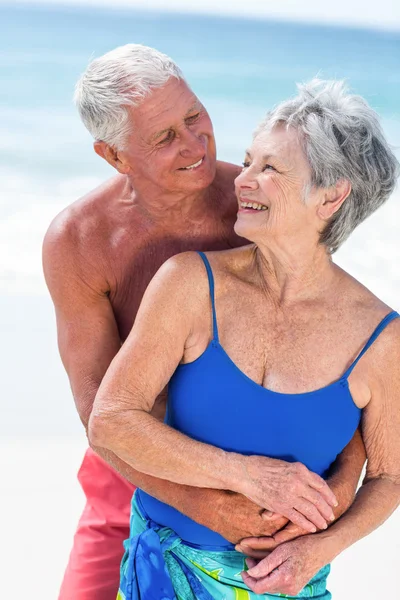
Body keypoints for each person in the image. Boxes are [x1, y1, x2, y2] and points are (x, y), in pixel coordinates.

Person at [43, 46, 364, 600]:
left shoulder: (262, 201)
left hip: (254, 479)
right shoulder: (81, 241)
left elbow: (343, 351)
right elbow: (98, 412)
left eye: (194, 117)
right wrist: (202, 503)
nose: (195, 145)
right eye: (163, 137)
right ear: (114, 156)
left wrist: (337, 490)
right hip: (131, 471)